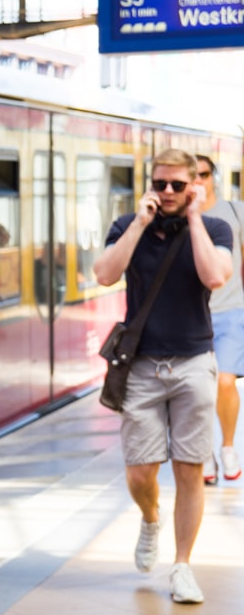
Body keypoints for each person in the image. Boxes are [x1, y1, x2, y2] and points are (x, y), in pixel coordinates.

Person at [92, 148, 232, 605]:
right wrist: (136, 223)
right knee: (139, 473)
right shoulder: (127, 227)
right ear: (150, 185)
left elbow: (215, 276)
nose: (167, 192)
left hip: (193, 362)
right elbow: (104, 274)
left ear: (195, 185)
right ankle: (150, 517)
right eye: (159, 184)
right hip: (143, 366)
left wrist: (193, 219)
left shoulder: (214, 229)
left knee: (190, 469)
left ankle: (182, 566)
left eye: (177, 185)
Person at [194, 154, 243, 484]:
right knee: (197, 390)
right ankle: (204, 454)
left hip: (232, 312)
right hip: (193, 316)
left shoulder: (235, 211)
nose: (199, 181)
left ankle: (227, 446)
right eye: (192, 175)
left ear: (213, 176)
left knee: (225, 382)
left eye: (204, 174)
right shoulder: (180, 218)